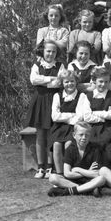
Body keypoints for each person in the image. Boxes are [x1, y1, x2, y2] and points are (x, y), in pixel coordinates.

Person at [25, 40, 65, 179]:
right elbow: (33, 80)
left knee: (51, 135)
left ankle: (50, 167)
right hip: (40, 100)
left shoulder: (60, 66)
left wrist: (44, 81)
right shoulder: (36, 65)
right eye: (48, 51)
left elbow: (59, 83)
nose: (50, 54)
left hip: (54, 101)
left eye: (53, 51)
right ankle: (40, 167)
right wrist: (50, 79)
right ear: (42, 51)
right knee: (40, 134)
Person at [47, 122, 108, 197]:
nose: (84, 138)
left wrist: (78, 169)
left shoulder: (95, 149)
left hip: (89, 180)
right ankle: (88, 190)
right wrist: (88, 171)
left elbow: (96, 174)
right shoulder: (70, 149)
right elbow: (67, 174)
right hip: (73, 181)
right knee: (53, 178)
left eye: (87, 135)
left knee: (101, 179)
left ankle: (67, 191)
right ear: (74, 135)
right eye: (81, 135)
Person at [50, 70, 89, 175]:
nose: (69, 84)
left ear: (76, 81)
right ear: (62, 83)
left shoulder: (81, 96)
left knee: (69, 144)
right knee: (57, 144)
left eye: (72, 81)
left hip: (74, 127)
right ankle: (59, 173)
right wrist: (71, 115)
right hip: (59, 127)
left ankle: (69, 171)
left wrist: (63, 116)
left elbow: (80, 116)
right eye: (66, 82)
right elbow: (54, 116)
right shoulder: (57, 96)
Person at [83, 67, 111, 145]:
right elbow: (87, 117)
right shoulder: (88, 96)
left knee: (105, 144)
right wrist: (103, 118)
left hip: (107, 128)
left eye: (106, 82)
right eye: (101, 81)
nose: (103, 84)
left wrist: (95, 113)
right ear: (94, 81)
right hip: (91, 128)